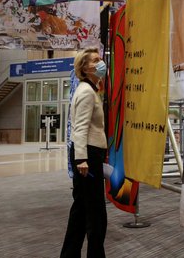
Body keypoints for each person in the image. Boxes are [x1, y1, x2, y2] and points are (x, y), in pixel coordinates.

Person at [60, 47, 108, 258]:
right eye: (96, 60)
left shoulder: (89, 89)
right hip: (87, 157)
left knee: (80, 210)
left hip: (86, 154)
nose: (101, 63)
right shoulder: (87, 92)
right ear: (85, 68)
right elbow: (79, 127)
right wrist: (82, 160)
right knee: (96, 214)